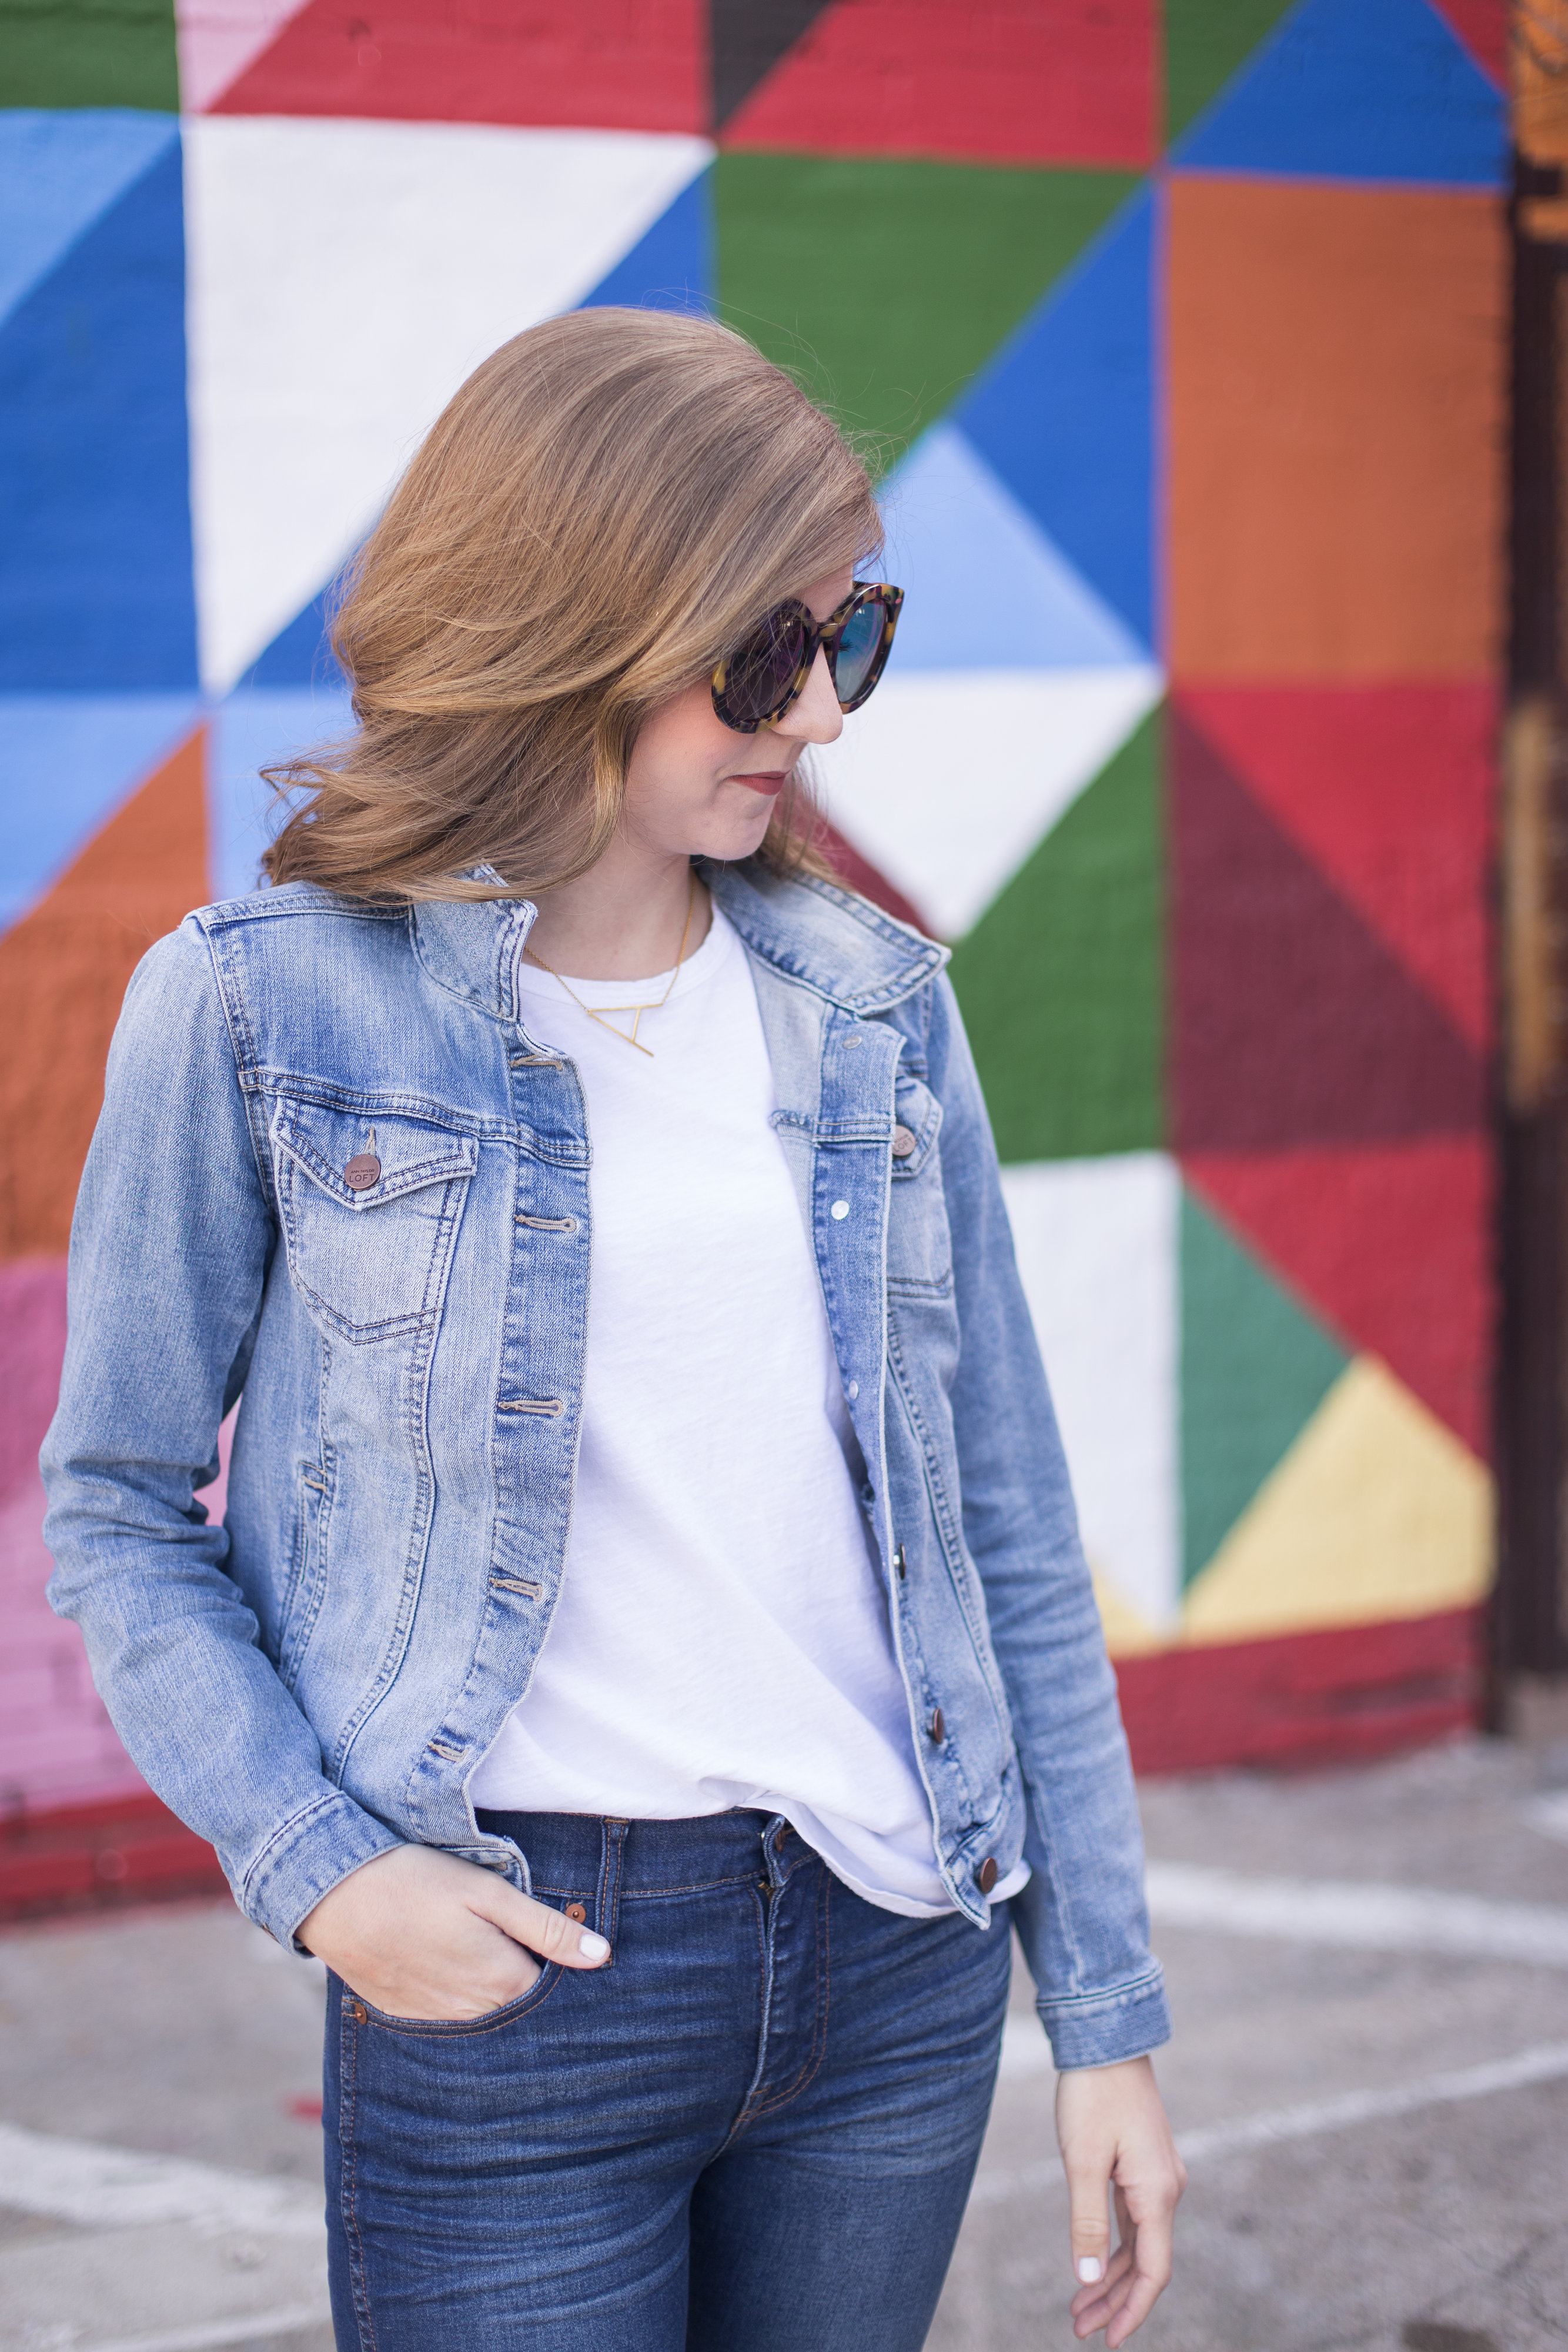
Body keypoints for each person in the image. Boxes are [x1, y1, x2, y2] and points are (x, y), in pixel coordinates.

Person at [42, 307, 1183, 2351]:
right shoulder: (258, 1006)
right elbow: (119, 1509)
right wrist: (323, 1870)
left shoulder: (876, 1011)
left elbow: (1003, 1521)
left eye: (852, 639)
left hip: (892, 1960)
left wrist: (1099, 2013)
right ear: (581, 615)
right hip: (520, 1973)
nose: (818, 713)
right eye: (763, 653)